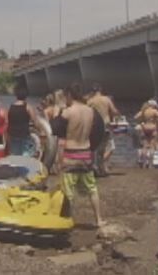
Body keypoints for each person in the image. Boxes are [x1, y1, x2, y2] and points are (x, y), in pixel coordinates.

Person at [58, 82, 105, 228]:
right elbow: (97, 130)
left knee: (68, 191)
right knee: (92, 188)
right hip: (85, 153)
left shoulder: (68, 112)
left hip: (71, 154)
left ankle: (68, 220)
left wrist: (59, 109)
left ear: (70, 95)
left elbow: (56, 129)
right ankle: (99, 219)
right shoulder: (90, 111)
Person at [86, 83, 120, 175]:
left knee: (94, 148)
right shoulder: (106, 99)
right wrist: (116, 116)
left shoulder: (90, 101)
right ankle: (101, 168)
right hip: (105, 125)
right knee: (103, 148)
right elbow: (114, 111)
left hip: (94, 126)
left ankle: (94, 167)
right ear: (100, 90)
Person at [7, 83, 39, 157]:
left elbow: (9, 122)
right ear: (26, 95)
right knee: (27, 158)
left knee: (15, 158)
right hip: (24, 136)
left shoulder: (11, 107)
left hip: (13, 136)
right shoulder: (28, 107)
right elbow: (35, 122)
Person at [134, 99, 158, 168]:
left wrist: (141, 122)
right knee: (152, 147)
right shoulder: (154, 111)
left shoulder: (143, 111)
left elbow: (135, 117)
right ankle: (150, 164)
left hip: (145, 127)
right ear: (153, 105)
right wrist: (157, 121)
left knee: (144, 146)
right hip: (152, 127)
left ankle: (144, 163)